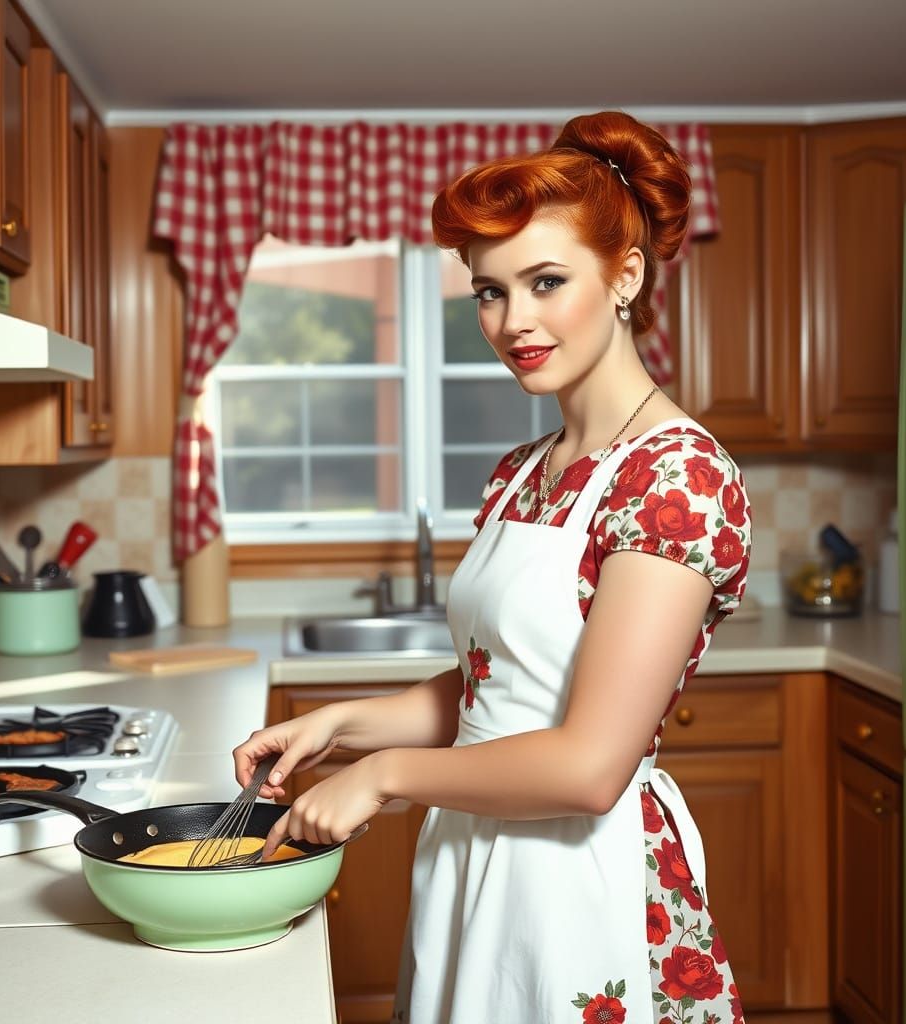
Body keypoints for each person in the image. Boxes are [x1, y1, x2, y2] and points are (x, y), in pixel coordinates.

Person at [233, 110, 751, 1024]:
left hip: (580, 880)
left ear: (625, 276)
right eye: (488, 292)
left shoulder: (678, 476)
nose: (513, 323)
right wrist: (339, 726)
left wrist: (384, 773)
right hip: (473, 854)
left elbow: (590, 765)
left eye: (546, 282)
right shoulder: (525, 471)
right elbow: (499, 684)